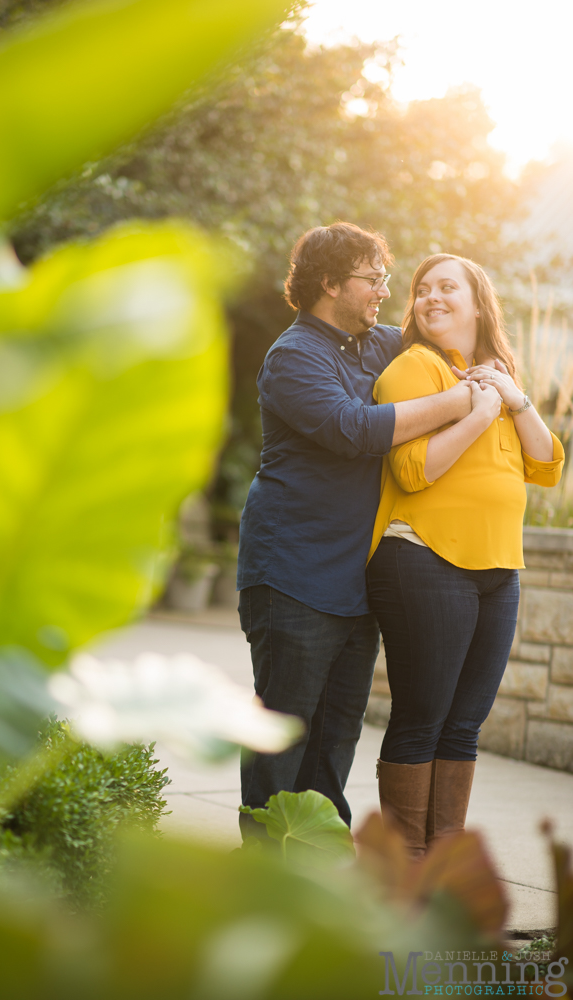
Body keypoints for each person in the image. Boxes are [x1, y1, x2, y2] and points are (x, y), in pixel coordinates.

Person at [237, 224, 476, 840]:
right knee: (283, 732)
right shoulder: (293, 355)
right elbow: (352, 429)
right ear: (330, 282)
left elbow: (440, 338)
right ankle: (265, 873)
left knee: (335, 738)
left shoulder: (381, 344)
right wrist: (456, 403)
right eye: (374, 280)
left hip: (355, 581)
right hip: (292, 574)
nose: (383, 293)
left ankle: (320, 871)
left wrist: (488, 359)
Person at [366, 253, 564, 857]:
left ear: (479, 302)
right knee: (422, 720)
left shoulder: (493, 374)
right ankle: (405, 876)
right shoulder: (414, 368)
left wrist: (514, 396)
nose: (430, 297)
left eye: (446, 286)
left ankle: (443, 869)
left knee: (463, 727)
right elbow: (413, 469)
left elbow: (547, 466)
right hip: (424, 559)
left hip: (497, 571)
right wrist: (480, 413)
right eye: (422, 289)